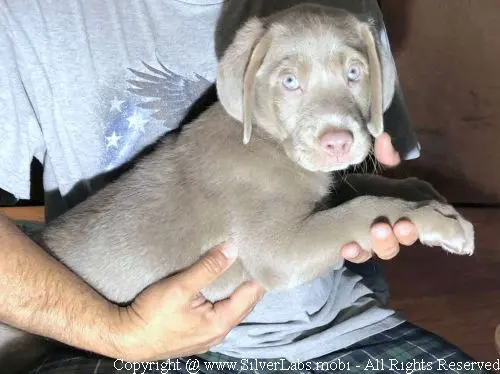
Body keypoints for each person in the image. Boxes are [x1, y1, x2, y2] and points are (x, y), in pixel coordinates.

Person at [0, 0, 488, 373]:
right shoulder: (32, 14)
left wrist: (398, 200)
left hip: (332, 334)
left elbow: (306, 197)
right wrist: (117, 332)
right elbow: (277, 258)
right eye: (290, 82)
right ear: (245, 83)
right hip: (82, 344)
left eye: (355, 73)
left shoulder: (341, 14)